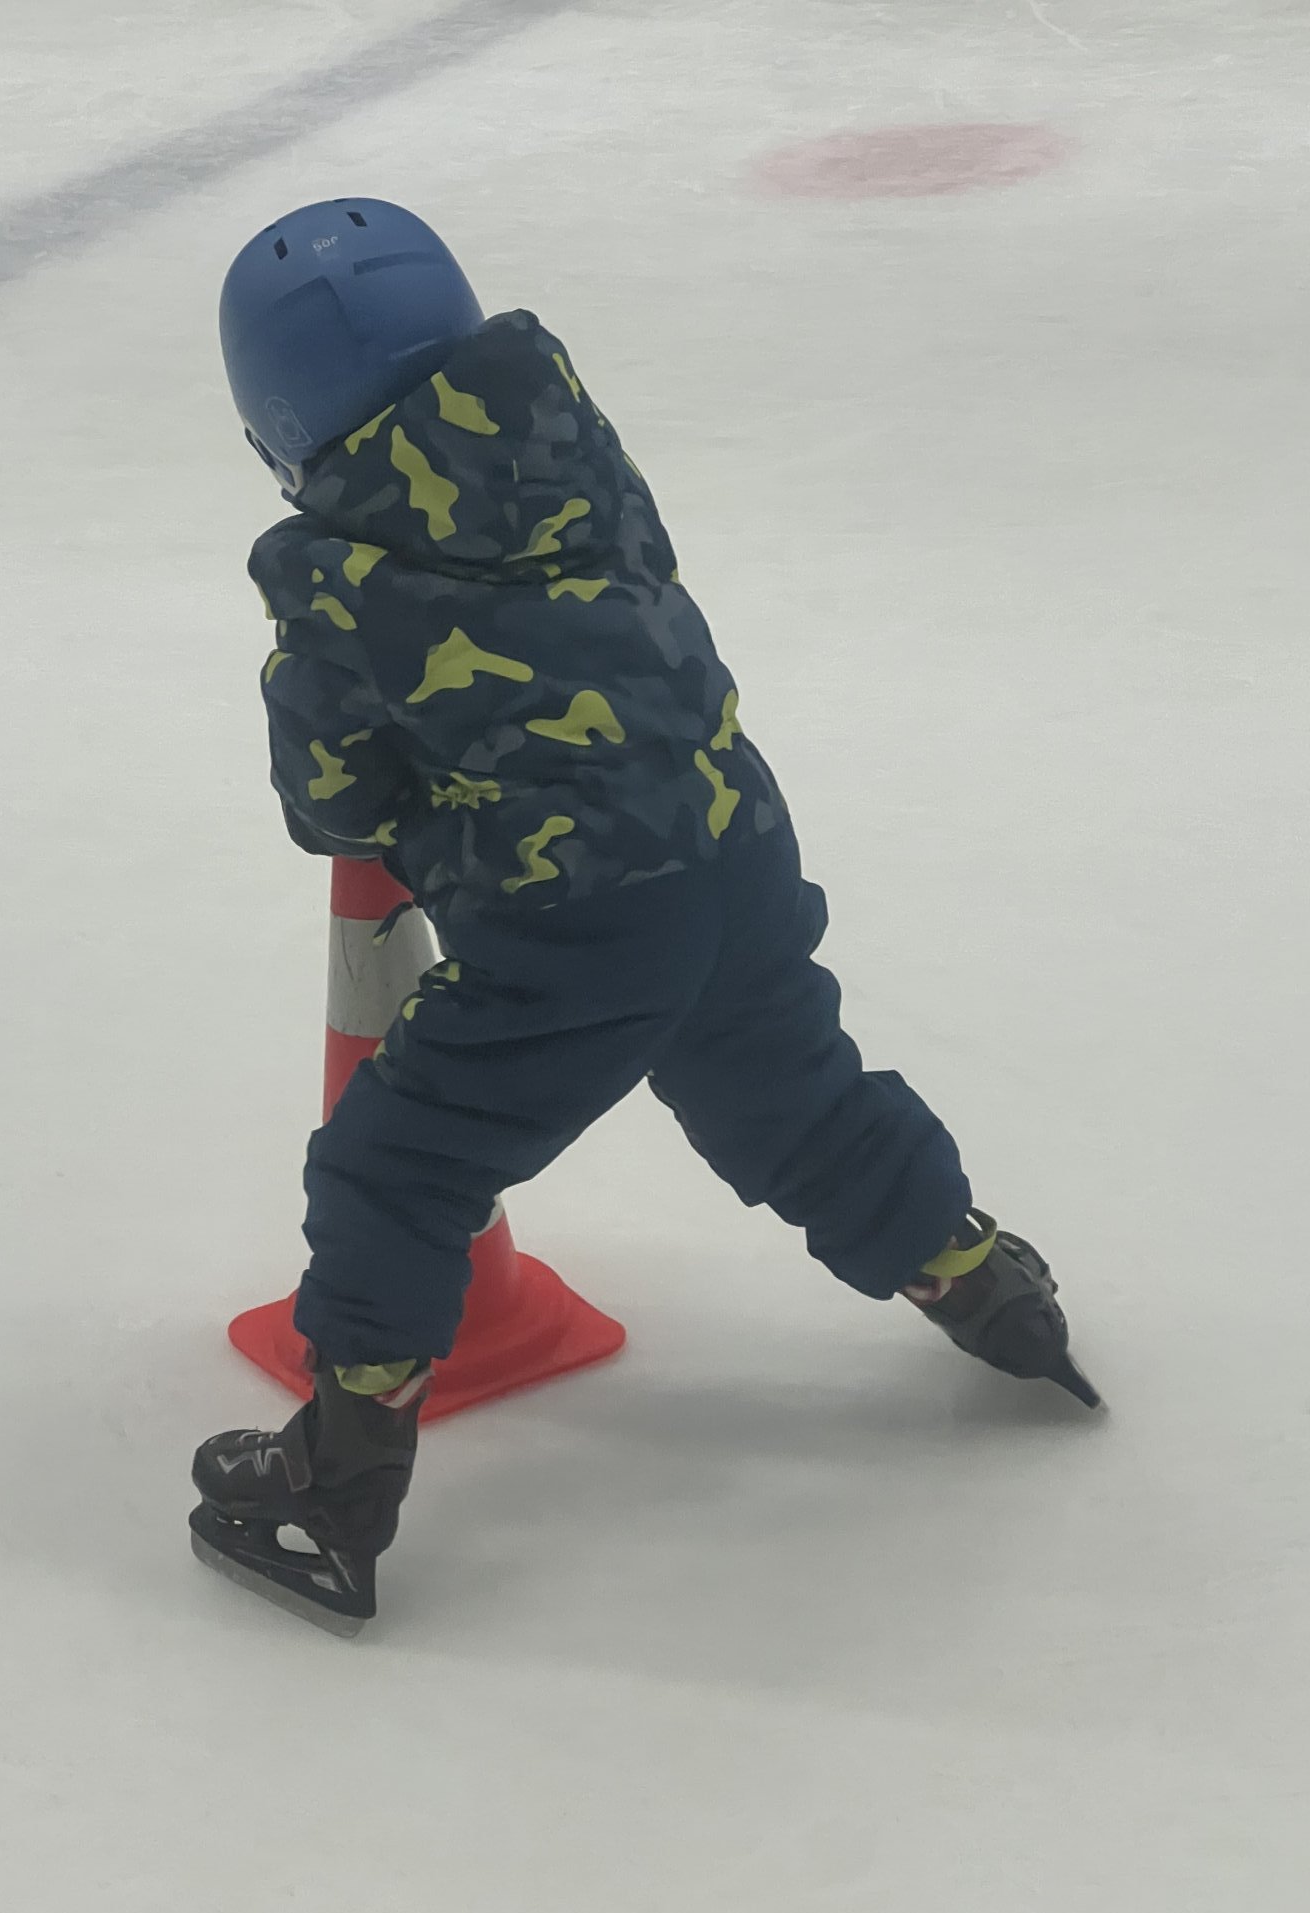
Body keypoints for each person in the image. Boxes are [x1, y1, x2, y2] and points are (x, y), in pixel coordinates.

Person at [189, 199, 1099, 1637]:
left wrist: (419, 809)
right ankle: (982, 1281)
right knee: (795, 1099)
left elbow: (335, 805)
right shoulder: (573, 451)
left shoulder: (329, 584)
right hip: (735, 846)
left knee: (395, 1165)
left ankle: (339, 1477)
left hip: (576, 926)